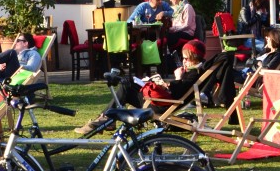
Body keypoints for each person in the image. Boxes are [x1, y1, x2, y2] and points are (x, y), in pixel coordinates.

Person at [75, 39, 209, 134]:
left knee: (126, 87)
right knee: (129, 84)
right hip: (163, 101)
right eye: (183, 58)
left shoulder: (194, 73)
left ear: (194, 58)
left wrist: (177, 78)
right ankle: (106, 118)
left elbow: (179, 90)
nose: (184, 61)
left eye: (186, 58)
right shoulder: (195, 71)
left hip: (162, 105)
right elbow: (179, 89)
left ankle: (105, 119)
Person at [0, 32, 41, 103]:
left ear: (25, 43)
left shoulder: (33, 54)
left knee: (11, 52)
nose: (15, 43)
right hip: (4, 77)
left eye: (18, 41)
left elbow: (31, 68)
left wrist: (17, 65)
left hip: (15, 77)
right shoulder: (17, 54)